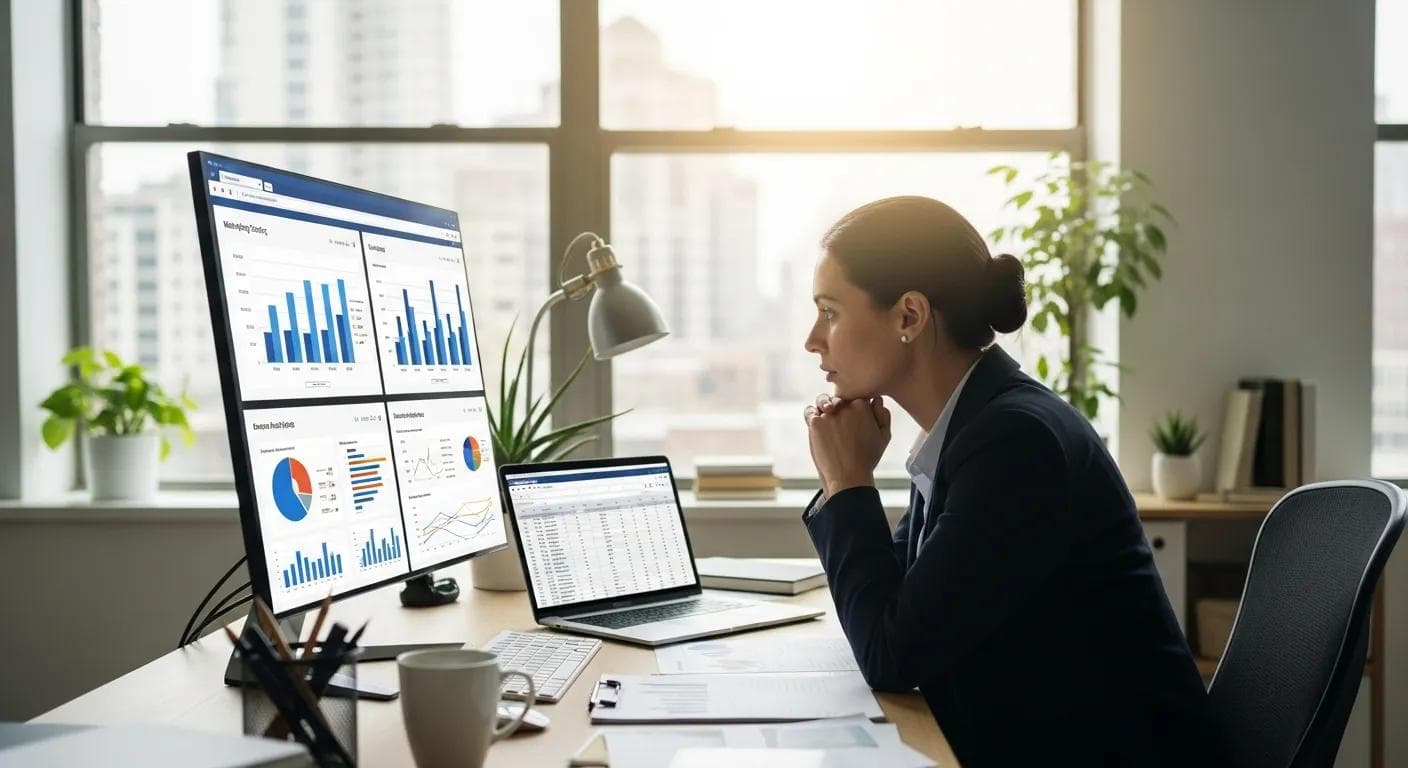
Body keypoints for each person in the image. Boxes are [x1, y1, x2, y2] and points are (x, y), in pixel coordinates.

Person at [800, 196, 1220, 766]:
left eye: (830, 312)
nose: (812, 340)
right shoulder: (975, 427)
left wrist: (848, 483)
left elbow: (890, 653)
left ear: (909, 316)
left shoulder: (1016, 443)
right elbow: (896, 605)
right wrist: (849, 481)